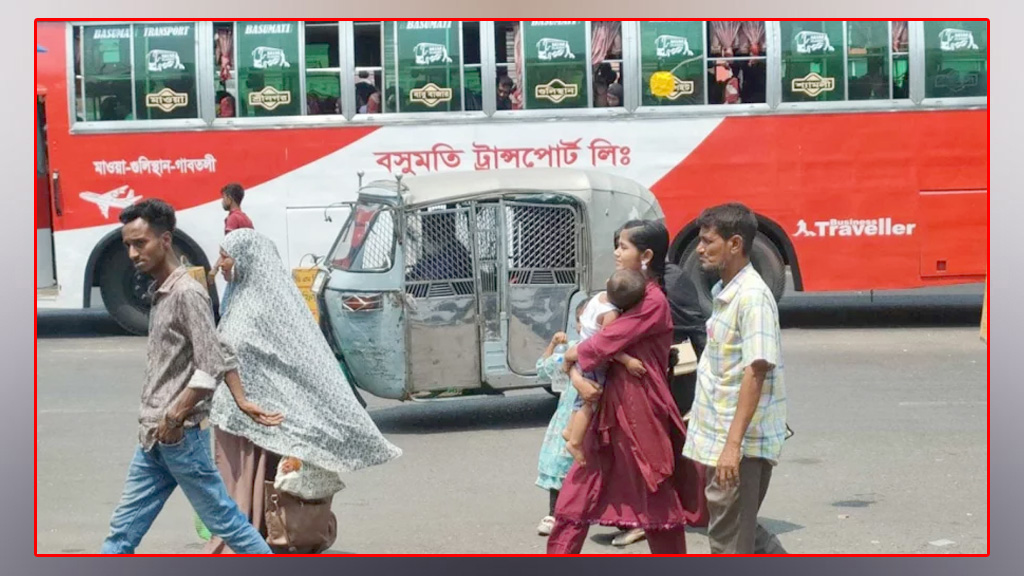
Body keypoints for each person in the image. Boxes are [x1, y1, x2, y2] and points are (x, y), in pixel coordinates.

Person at [100, 199, 283, 555]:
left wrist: (174, 416)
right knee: (121, 533)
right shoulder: (163, 290)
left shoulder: (186, 292)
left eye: (141, 243)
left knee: (228, 524)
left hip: (179, 437)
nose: (133, 254)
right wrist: (241, 399)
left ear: (165, 240)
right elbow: (219, 347)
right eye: (128, 246)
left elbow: (209, 363)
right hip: (153, 437)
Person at [205, 228, 402, 554]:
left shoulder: (263, 307)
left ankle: (250, 540)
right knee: (239, 483)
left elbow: (290, 363)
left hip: (256, 418)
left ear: (245, 259)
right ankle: (250, 538)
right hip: (238, 418)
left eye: (225, 256)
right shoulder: (239, 298)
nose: (219, 264)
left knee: (252, 484)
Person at [546, 219, 707, 555]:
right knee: (578, 492)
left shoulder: (652, 301)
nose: (617, 253)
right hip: (607, 405)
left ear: (646, 256)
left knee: (654, 490)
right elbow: (594, 345)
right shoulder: (625, 296)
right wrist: (576, 371)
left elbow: (603, 343)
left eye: (623, 247)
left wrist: (574, 355)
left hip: (640, 408)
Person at [681, 203, 788, 554]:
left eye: (707, 241)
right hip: (723, 436)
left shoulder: (752, 299)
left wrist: (732, 446)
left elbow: (756, 372)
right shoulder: (724, 292)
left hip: (741, 444)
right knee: (741, 533)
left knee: (729, 542)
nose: (699, 249)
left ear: (735, 244)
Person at [563, 269, 647, 465]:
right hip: (593, 362)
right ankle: (575, 442)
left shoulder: (597, 298)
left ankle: (569, 430)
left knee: (579, 400)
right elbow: (606, 345)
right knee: (589, 403)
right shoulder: (611, 314)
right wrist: (627, 361)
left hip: (580, 351)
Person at [534, 301, 587, 536]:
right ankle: (554, 513)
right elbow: (542, 369)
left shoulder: (607, 349)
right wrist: (553, 344)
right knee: (560, 463)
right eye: (581, 319)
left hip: (593, 416)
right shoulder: (571, 349)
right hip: (567, 415)